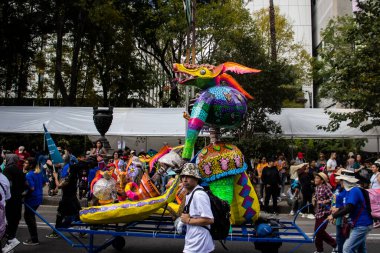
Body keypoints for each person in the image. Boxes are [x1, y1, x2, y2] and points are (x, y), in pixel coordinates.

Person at [328, 170, 373, 253]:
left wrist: (334, 215)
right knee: (361, 249)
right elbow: (346, 206)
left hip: (361, 224)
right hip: (360, 224)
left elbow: (349, 207)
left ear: (346, 181)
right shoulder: (350, 190)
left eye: (342, 180)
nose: (340, 182)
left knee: (347, 249)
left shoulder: (354, 190)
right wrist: (338, 210)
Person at [180, 163, 214, 253]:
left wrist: (188, 220)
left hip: (199, 243)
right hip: (193, 240)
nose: (185, 179)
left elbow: (210, 220)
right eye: (183, 177)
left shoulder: (199, 195)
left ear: (196, 178)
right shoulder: (190, 193)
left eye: (188, 176)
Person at [46, 161, 81, 239]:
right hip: (73, 199)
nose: (68, 169)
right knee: (77, 216)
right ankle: (82, 232)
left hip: (66, 200)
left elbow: (59, 185)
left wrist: (55, 176)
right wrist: (54, 190)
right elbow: (59, 187)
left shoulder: (69, 178)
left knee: (60, 216)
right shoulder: (73, 177)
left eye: (69, 168)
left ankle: (55, 232)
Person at [2, 154, 25, 253]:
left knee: (6, 223)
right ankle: (10, 245)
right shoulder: (19, 170)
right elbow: (23, 186)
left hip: (9, 199)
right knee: (14, 223)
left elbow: (7, 185)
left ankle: (9, 243)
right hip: (18, 200)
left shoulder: (7, 170)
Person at [22, 157, 46, 246]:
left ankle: (34, 239)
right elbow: (44, 183)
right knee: (31, 217)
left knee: (29, 218)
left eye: (26, 163)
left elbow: (31, 188)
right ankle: (34, 238)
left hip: (31, 199)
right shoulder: (38, 173)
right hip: (38, 197)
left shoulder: (29, 175)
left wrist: (23, 194)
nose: (24, 164)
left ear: (31, 165)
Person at [313, 172, 337, 253]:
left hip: (325, 213)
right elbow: (316, 197)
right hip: (318, 212)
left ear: (322, 181)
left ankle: (335, 244)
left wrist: (325, 201)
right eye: (315, 178)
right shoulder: (316, 188)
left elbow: (333, 198)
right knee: (317, 232)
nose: (315, 179)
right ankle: (320, 250)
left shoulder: (325, 188)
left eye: (317, 178)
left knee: (319, 231)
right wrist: (314, 199)